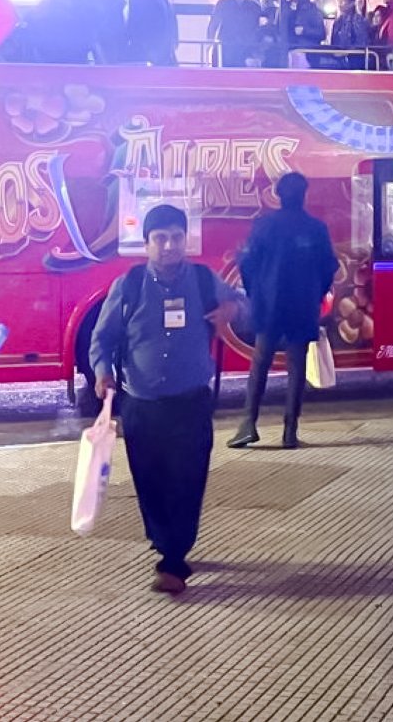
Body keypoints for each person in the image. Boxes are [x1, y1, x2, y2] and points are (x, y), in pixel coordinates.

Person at [90, 204, 243, 594]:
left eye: (176, 237)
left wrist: (233, 307)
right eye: (160, 238)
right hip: (141, 404)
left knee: (188, 480)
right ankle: (164, 538)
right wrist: (102, 371)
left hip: (190, 403)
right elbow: (102, 338)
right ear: (146, 243)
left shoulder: (206, 281)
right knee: (150, 481)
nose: (170, 245)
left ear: (185, 240)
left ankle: (174, 559)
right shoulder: (129, 285)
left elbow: (247, 308)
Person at [229, 172, 340, 449]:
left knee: (260, 363)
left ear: (278, 195)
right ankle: (290, 431)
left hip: (270, 304)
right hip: (302, 306)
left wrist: (257, 293)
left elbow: (247, 263)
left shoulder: (264, 225)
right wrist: (315, 293)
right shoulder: (316, 228)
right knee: (296, 366)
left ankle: (248, 423)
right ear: (305, 194)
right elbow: (329, 266)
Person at [124, 0, 179, 66]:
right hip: (146, 46)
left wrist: (174, 37)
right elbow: (133, 20)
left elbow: (169, 15)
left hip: (164, 45)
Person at [209, 0, 265, 68]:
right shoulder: (223, 4)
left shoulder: (254, 6)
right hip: (226, 48)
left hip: (247, 50)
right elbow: (213, 24)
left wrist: (258, 51)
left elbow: (259, 29)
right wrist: (210, 43)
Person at [278, 0, 327, 69]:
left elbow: (321, 33)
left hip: (308, 54)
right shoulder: (284, 9)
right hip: (288, 52)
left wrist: (305, 31)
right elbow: (280, 30)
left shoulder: (312, 10)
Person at [328, 0, 372, 69]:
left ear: (351, 2)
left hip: (355, 62)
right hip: (339, 62)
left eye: (343, 0)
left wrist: (346, 53)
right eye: (338, 0)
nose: (340, 3)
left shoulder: (358, 20)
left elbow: (362, 43)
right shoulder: (337, 21)